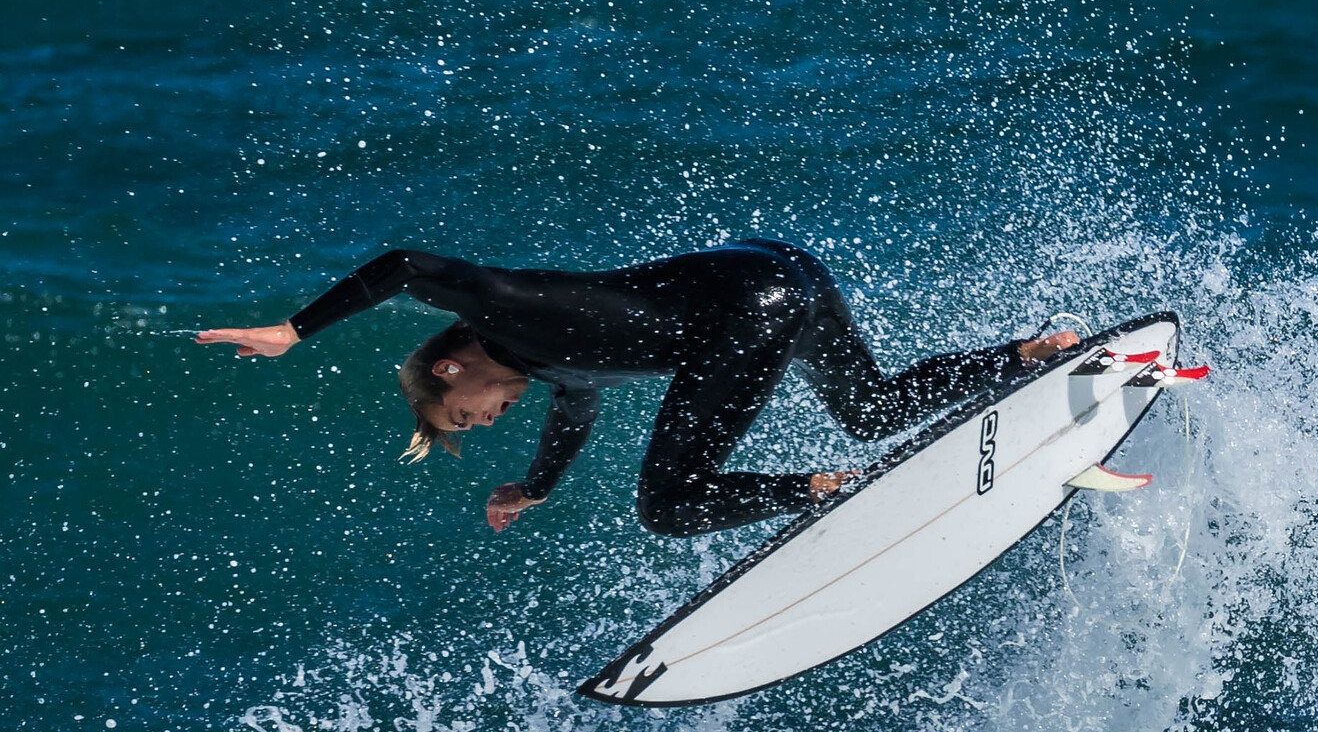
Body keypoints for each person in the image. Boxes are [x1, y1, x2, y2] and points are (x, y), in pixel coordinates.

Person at [197, 237, 1079, 536]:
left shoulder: (505, 310)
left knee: (667, 506)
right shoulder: (556, 370)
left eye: (464, 414)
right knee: (873, 409)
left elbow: (405, 264)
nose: (486, 420)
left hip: (744, 306)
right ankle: (1031, 354)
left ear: (449, 366)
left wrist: (294, 330)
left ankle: (825, 491)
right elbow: (572, 420)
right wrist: (536, 487)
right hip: (786, 274)